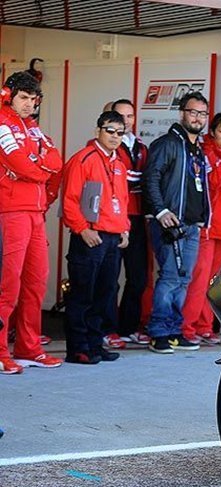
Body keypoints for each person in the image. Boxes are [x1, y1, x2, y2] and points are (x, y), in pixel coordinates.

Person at [0, 71, 63, 375]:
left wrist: (35, 165)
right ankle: (1, 351)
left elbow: (56, 160)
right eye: (23, 97)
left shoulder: (34, 128)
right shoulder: (2, 123)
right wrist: (38, 167)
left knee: (36, 283)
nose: (28, 104)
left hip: (36, 215)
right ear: (8, 95)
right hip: (10, 213)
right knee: (7, 287)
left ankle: (28, 347)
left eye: (32, 99)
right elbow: (20, 163)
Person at [142, 91, 211, 354]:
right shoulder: (167, 143)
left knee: (183, 279)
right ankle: (158, 332)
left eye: (202, 114)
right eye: (193, 112)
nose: (197, 118)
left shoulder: (197, 148)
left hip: (192, 225)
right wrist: (160, 212)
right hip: (170, 224)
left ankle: (173, 331)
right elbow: (151, 178)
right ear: (182, 113)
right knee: (170, 278)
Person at [61, 111, 131, 364]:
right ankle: (78, 348)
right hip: (90, 236)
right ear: (97, 131)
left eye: (120, 132)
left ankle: (95, 343)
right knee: (82, 294)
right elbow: (69, 199)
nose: (114, 136)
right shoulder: (84, 159)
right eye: (109, 130)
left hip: (113, 237)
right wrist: (82, 229)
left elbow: (122, 201)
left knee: (105, 293)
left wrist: (124, 229)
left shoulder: (120, 165)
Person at [181, 112, 221, 346]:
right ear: (213, 133)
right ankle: (187, 327)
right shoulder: (207, 153)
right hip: (206, 228)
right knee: (198, 280)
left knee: (213, 284)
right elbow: (211, 184)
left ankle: (205, 326)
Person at [109, 99, 151, 347]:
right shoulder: (106, 145)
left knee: (138, 277)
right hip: (113, 218)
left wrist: (135, 179)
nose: (126, 120)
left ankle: (128, 326)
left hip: (137, 217)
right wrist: (138, 179)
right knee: (109, 278)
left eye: (130, 116)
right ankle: (108, 328)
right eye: (121, 115)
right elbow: (126, 179)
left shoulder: (141, 147)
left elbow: (139, 179)